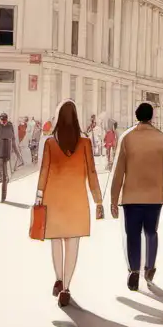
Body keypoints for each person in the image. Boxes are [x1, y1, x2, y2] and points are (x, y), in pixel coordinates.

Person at [35, 100, 103, 308]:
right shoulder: (84, 143)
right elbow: (91, 172)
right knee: (72, 243)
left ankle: (58, 278)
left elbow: (44, 170)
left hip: (53, 199)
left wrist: (39, 195)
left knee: (56, 240)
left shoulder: (50, 143)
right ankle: (66, 288)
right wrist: (98, 199)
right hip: (77, 200)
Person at [110, 102, 163, 290]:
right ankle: (150, 267)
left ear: (136, 116)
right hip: (155, 195)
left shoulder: (127, 138)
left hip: (131, 196)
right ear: (151, 116)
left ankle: (134, 270)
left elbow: (119, 171)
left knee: (133, 234)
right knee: (151, 232)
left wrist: (113, 199)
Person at [0, 112, 18, 201]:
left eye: (4, 120)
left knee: (3, 175)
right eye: (2, 120)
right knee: (3, 174)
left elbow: (12, 138)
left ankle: (3, 197)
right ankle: (4, 178)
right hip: (1, 152)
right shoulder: (0, 126)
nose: (3, 122)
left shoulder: (7, 126)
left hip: (4, 152)